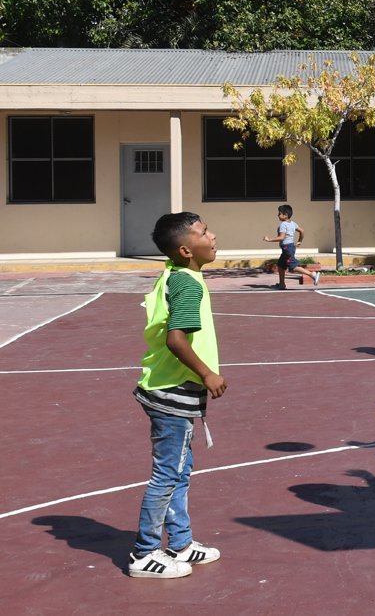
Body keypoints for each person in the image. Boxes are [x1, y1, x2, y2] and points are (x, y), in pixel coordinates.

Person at [128, 212, 227, 579]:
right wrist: (207, 373)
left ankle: (181, 544)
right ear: (186, 250)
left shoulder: (175, 273)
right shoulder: (188, 285)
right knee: (168, 475)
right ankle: (144, 553)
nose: (212, 237)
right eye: (204, 233)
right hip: (172, 392)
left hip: (169, 388)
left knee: (180, 471)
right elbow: (176, 339)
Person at [263, 204, 319, 289]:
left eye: (279, 213)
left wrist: (269, 239)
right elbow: (302, 231)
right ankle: (282, 284)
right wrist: (300, 241)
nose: (278, 215)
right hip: (290, 247)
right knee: (281, 265)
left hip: (287, 248)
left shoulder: (283, 224)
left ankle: (312, 275)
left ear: (285, 215)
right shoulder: (293, 223)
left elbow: (281, 237)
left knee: (293, 266)